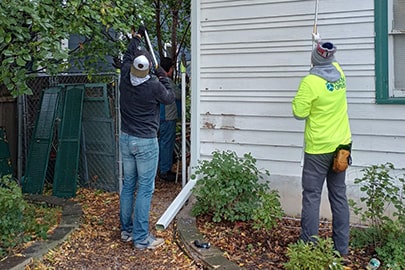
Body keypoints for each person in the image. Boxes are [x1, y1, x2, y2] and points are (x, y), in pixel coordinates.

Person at [291, 41, 352, 256]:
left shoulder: (310, 82)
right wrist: (320, 43)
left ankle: (308, 249)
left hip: (318, 149)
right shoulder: (339, 71)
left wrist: (298, 97)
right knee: (338, 195)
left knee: (312, 196)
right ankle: (341, 249)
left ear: (314, 58)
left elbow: (299, 113)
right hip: (342, 147)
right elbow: (328, 59)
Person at [119, 25, 175, 250]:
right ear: (149, 68)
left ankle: (127, 231)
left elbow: (127, 55)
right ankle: (141, 238)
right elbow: (170, 98)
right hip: (145, 143)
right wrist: (163, 77)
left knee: (128, 184)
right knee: (144, 188)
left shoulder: (124, 75)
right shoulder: (153, 85)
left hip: (126, 139)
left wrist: (136, 38)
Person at [158, 57, 181, 182]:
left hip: (160, 117)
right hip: (167, 117)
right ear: (168, 69)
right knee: (166, 144)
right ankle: (165, 171)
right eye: (172, 68)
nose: (172, 71)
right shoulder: (167, 81)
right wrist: (183, 86)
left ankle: (162, 168)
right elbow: (179, 94)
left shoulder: (157, 80)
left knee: (162, 143)